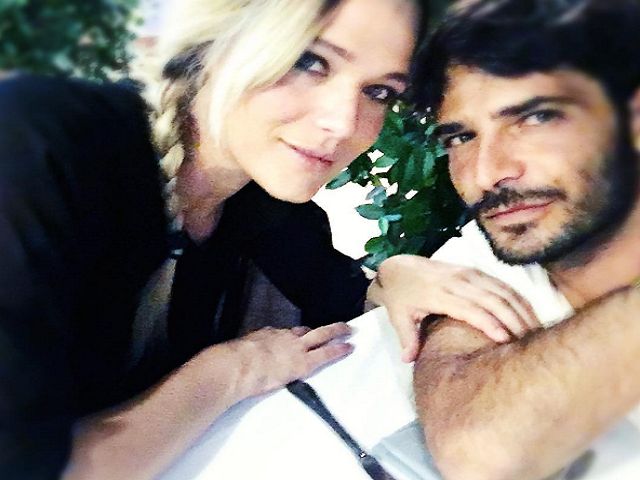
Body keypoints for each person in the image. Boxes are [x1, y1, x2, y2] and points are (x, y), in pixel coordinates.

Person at [0, 0, 428, 478]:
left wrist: (397, 277)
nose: (345, 123)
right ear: (213, 39)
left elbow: (346, 306)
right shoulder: (37, 147)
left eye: (379, 91)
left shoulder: (269, 213)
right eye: (308, 62)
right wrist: (226, 374)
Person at [371, 0, 640, 478]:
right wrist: (393, 272)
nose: (486, 174)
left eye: (536, 117)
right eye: (460, 138)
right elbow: (474, 440)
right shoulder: (496, 248)